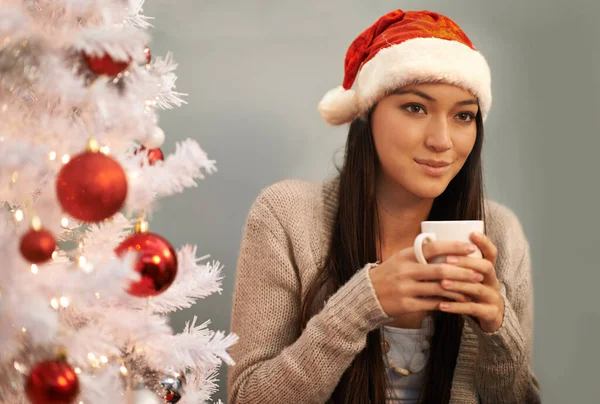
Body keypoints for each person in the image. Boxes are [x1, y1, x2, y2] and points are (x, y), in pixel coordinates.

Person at [227, 9, 540, 404]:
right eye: (415, 108)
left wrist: (498, 328)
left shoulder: (501, 232)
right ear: (366, 113)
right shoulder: (285, 216)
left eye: (463, 115)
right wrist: (360, 306)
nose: (442, 140)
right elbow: (248, 397)